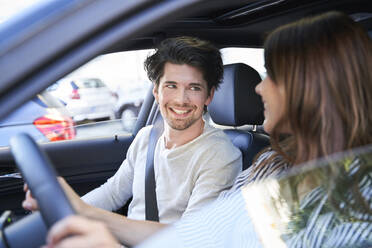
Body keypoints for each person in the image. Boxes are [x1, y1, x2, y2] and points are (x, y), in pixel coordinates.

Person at [41, 11, 372, 248]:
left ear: (311, 89)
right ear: (155, 91)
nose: (259, 88)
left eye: (272, 74)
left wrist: (92, 222)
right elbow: (200, 236)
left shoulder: (358, 209)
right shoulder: (270, 164)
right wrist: (81, 212)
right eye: (170, 86)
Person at [24, 36, 242, 247]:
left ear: (209, 96)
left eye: (194, 88)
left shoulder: (221, 156)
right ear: (156, 91)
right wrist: (67, 210)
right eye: (171, 86)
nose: (181, 100)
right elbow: (113, 192)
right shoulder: (147, 137)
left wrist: (82, 210)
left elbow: (189, 239)